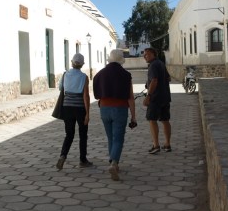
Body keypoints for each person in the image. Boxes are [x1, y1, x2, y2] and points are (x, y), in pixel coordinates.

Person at [93, 49, 137, 181]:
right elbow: (130, 97)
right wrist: (133, 116)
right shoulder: (126, 75)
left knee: (110, 137)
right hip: (120, 109)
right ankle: (114, 163)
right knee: (118, 138)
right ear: (121, 61)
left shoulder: (100, 74)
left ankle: (113, 161)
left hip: (104, 108)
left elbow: (97, 94)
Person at [57, 53, 92, 170]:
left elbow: (61, 88)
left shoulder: (65, 75)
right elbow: (86, 96)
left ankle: (63, 155)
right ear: (82, 65)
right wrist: (87, 113)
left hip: (67, 107)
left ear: (72, 63)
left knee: (69, 134)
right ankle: (83, 160)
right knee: (83, 134)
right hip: (80, 108)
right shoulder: (84, 77)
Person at [142, 47, 172, 153]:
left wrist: (148, 96)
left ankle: (156, 145)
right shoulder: (161, 63)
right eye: (144, 54)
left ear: (154, 54)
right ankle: (167, 144)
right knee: (165, 120)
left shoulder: (153, 65)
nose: (145, 56)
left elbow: (154, 80)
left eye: (147, 54)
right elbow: (168, 78)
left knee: (152, 120)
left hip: (155, 98)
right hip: (165, 97)